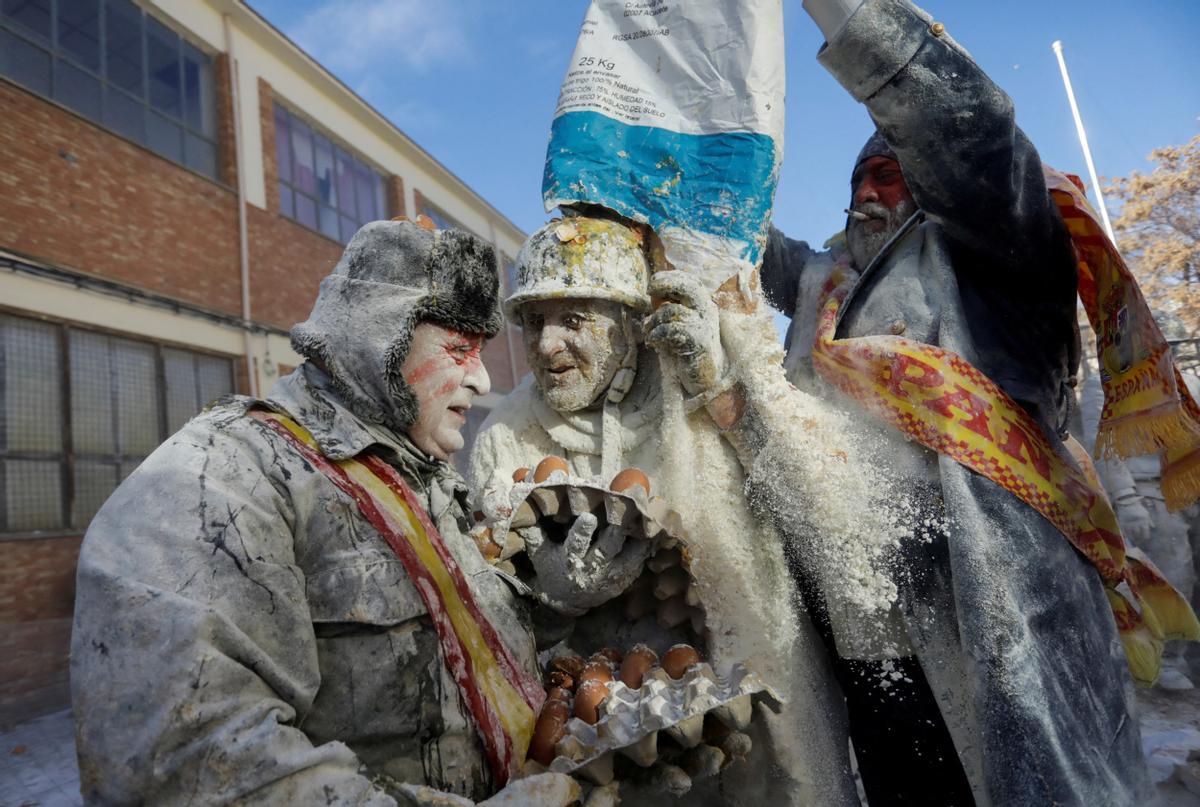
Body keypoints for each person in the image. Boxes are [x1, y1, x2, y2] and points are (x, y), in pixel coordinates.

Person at [646, 0, 1149, 804]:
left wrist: (849, 15)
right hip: (865, 626)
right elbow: (741, 238)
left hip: (992, 608)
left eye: (890, 173)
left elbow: (975, 132)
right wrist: (660, 150)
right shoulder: (824, 281)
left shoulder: (994, 249)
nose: (867, 194)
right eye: (858, 180)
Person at [70, 220, 579, 805]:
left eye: (482, 351)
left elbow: (460, 643)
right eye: (459, 349)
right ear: (377, 341)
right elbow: (178, 764)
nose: (483, 378)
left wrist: (558, 599)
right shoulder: (220, 477)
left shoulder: (420, 474)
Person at [468, 215, 858, 805]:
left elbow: (821, 503)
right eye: (534, 322)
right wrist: (554, 598)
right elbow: (487, 622)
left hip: (762, 703)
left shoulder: (692, 371)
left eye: (573, 319)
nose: (547, 347)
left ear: (627, 320)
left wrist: (723, 388)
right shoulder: (508, 437)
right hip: (613, 754)